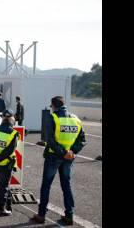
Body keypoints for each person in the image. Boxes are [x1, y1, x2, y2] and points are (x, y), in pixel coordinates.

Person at [31, 96, 86, 225]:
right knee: (66, 185)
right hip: (68, 158)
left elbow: (49, 139)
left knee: (46, 185)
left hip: (54, 156)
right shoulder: (76, 119)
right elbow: (82, 140)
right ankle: (69, 216)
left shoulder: (53, 118)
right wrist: (72, 151)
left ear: (54, 106)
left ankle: (41, 215)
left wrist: (63, 152)